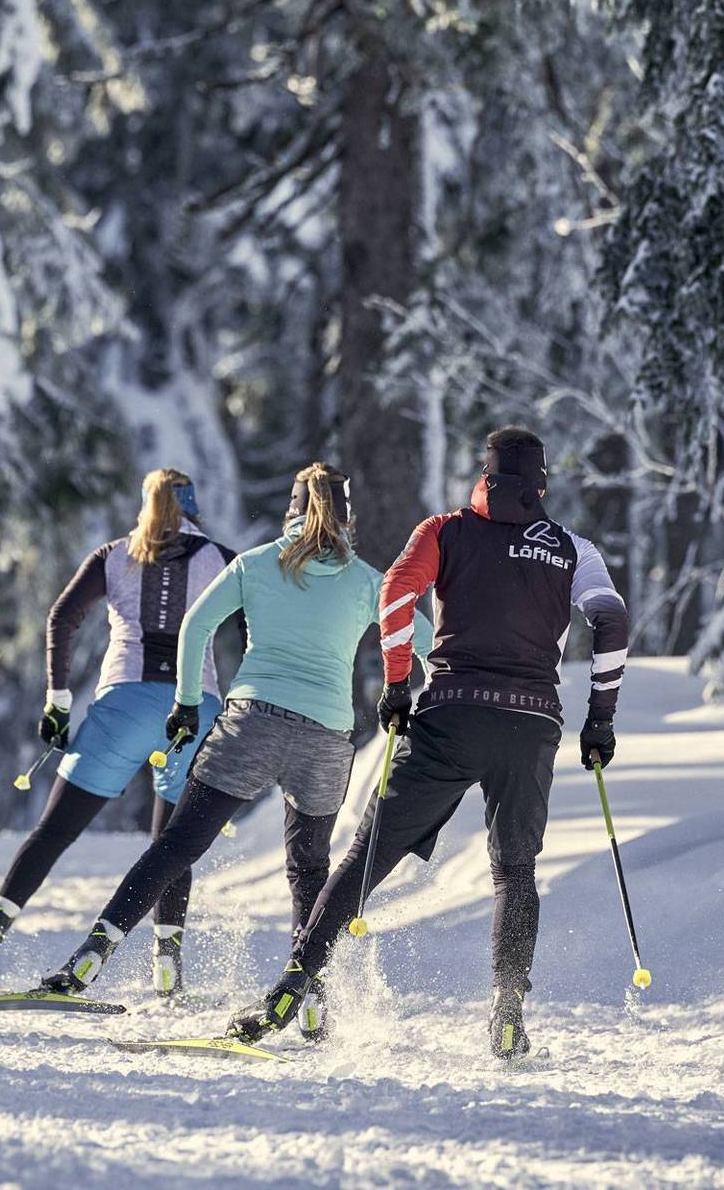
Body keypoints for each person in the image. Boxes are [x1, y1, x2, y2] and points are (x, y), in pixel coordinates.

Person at [224, 427, 630, 1057]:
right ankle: (507, 1008)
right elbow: (611, 620)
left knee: (365, 856)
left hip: (450, 716)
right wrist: (600, 718)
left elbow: (395, 593)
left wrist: (395, 684)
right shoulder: (575, 551)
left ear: (485, 475)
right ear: (543, 481)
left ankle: (294, 984)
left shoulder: (444, 529)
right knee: (514, 872)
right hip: (531, 726)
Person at [34, 463, 431, 1040]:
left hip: (251, 723)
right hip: (326, 738)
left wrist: (187, 704)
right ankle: (312, 998)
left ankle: (92, 956)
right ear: (349, 518)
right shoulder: (371, 581)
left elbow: (196, 628)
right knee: (310, 868)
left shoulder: (255, 562)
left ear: (290, 511)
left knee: (176, 845)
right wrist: (413, 698)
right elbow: (423, 641)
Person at [0, 468, 241, 997]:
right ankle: (167, 963)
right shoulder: (222, 558)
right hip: (196, 707)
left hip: (122, 704)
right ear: (194, 506)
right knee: (169, 845)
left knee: (55, 831)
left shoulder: (115, 554)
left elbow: (62, 617)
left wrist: (58, 700)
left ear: (145, 505)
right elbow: (255, 626)